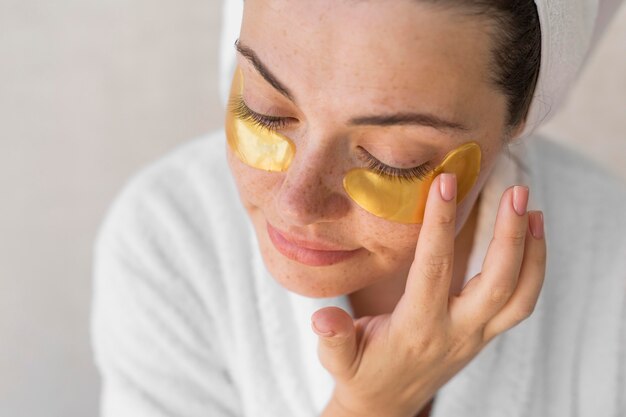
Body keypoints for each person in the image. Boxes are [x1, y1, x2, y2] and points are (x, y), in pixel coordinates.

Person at [91, 0, 626, 416]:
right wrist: (372, 407)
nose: (297, 203)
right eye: (266, 112)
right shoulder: (170, 239)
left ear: (518, 122)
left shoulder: (611, 268)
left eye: (392, 160)